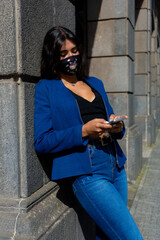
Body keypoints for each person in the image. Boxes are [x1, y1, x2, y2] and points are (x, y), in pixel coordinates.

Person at [34, 26, 143, 240]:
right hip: (88, 173)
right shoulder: (46, 88)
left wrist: (116, 126)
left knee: (107, 235)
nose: (71, 57)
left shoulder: (95, 83)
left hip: (115, 166)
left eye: (74, 51)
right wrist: (84, 131)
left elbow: (109, 117)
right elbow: (42, 141)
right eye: (63, 54)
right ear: (53, 57)